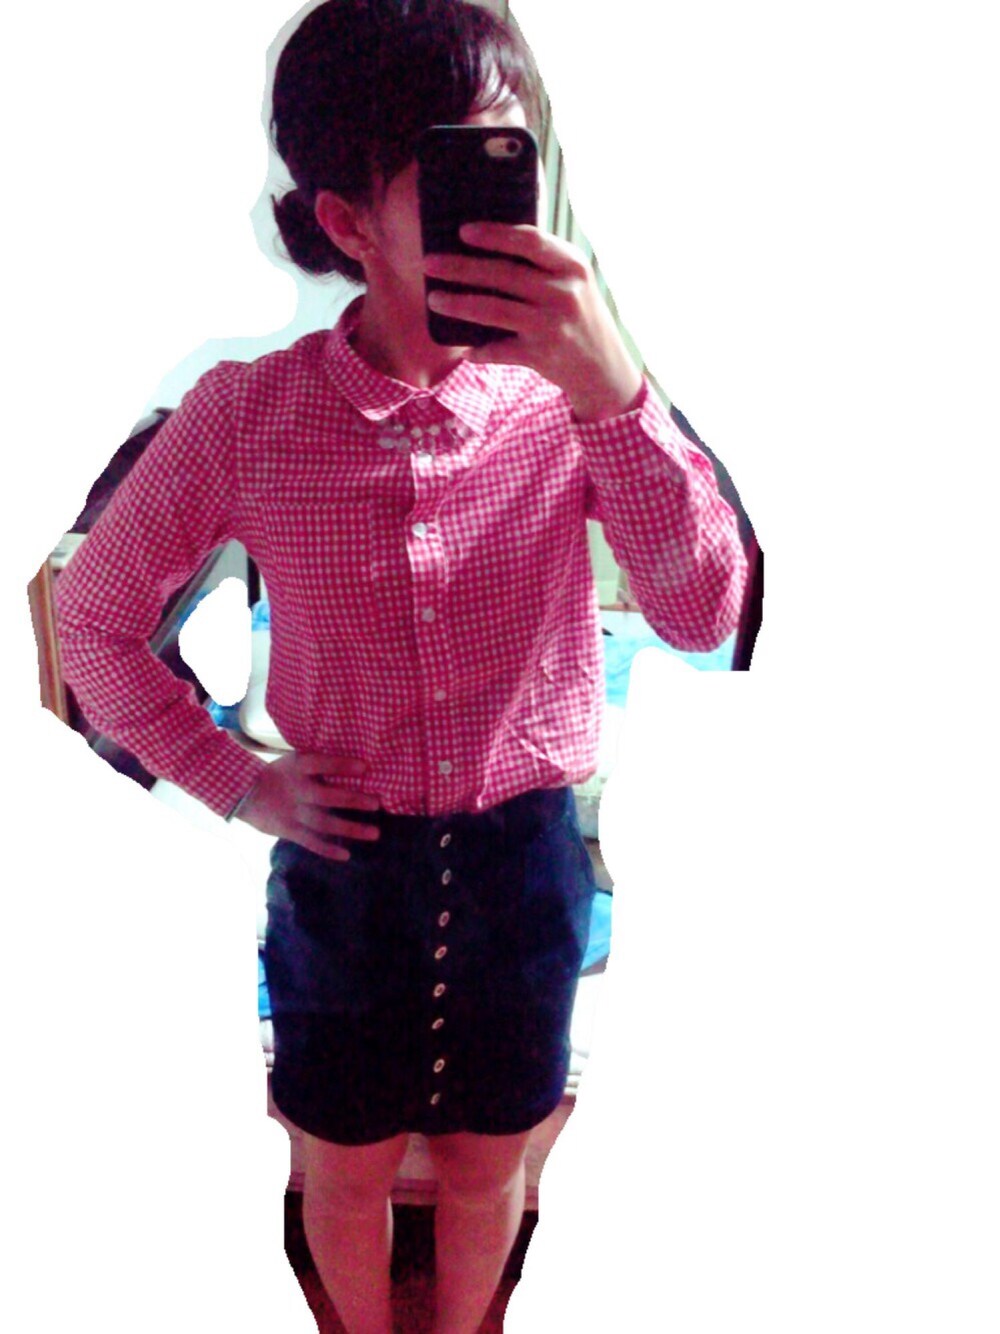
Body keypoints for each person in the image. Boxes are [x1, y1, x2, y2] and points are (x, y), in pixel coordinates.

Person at [55, 1, 748, 1329]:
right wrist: (235, 779)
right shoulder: (247, 414)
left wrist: (615, 392)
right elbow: (91, 621)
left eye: (512, 156)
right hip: (343, 871)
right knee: (343, 1161)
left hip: (524, 865)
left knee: (492, 1162)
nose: (501, 202)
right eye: (452, 165)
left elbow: (705, 607)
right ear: (347, 221)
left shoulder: (576, 399)